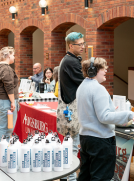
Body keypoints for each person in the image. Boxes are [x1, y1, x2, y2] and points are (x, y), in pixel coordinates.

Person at [77, 57, 134, 181]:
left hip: (86, 139)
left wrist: (112, 109)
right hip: (100, 141)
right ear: (93, 71)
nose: (106, 70)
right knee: (101, 177)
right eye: (103, 68)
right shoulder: (98, 88)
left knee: (85, 176)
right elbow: (104, 117)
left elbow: (91, 112)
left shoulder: (82, 86)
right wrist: (129, 114)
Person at [57, 32, 85, 181]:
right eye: (79, 44)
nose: (83, 46)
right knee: (73, 146)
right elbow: (84, 83)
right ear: (70, 45)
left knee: (69, 144)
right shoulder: (72, 62)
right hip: (72, 111)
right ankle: (71, 178)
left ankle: (65, 177)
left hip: (68, 109)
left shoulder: (66, 59)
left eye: (83, 43)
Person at [0, 47, 19, 143]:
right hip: (6, 102)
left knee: (1, 126)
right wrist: (12, 102)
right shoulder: (6, 69)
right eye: (13, 55)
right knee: (7, 128)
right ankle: (3, 149)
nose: (14, 57)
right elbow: (9, 86)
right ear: (8, 55)